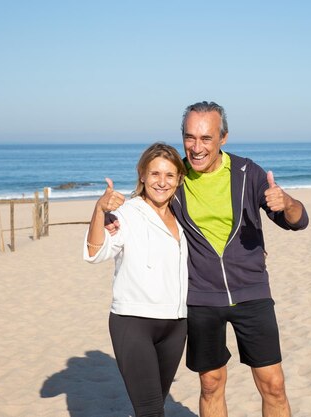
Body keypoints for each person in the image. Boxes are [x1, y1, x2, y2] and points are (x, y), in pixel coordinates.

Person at [173, 101, 308, 417]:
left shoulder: (248, 173)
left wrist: (286, 202)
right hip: (201, 297)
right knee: (210, 384)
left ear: (223, 138)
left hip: (252, 292)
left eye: (206, 138)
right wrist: (109, 213)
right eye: (189, 137)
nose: (196, 147)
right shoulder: (174, 177)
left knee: (273, 384)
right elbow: (144, 214)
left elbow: (298, 220)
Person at [84, 142, 189, 417]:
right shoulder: (126, 214)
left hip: (176, 324)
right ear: (142, 175)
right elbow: (96, 254)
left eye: (169, 175)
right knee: (151, 410)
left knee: (154, 404)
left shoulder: (184, 217)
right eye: (155, 174)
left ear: (179, 178)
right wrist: (98, 211)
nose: (162, 182)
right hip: (133, 322)